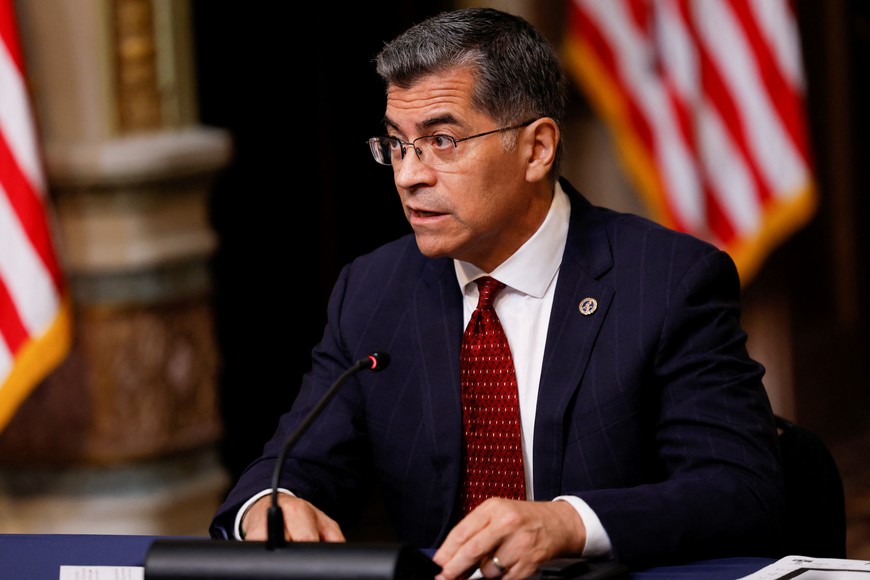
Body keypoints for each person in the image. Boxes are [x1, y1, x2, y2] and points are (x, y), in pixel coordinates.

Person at [210, 7, 785, 578]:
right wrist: (269, 504)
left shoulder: (664, 280)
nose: (409, 174)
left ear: (536, 149)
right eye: (396, 144)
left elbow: (740, 487)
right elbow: (290, 466)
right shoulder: (374, 290)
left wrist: (567, 524)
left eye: (441, 140)